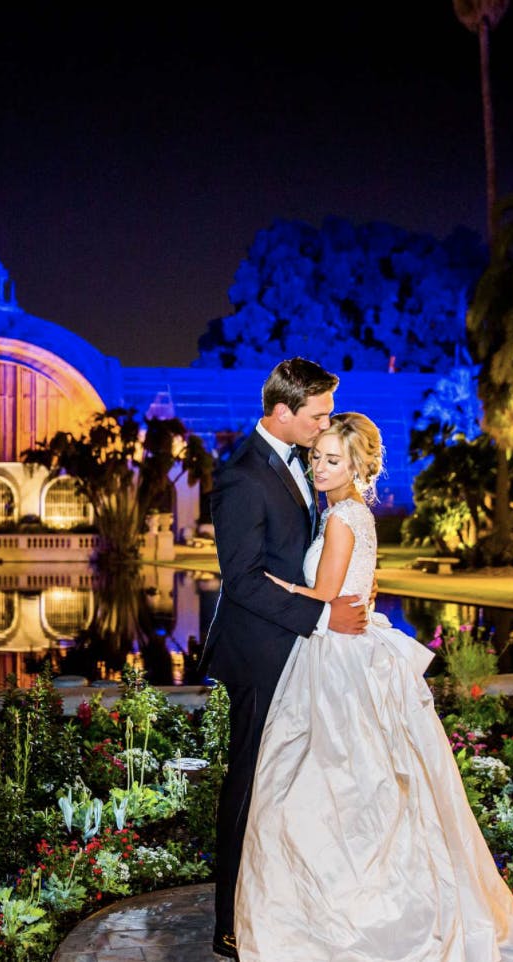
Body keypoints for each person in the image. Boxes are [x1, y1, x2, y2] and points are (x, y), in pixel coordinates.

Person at [235, 413, 513, 962]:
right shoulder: (350, 513)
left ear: (357, 466)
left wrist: (270, 580)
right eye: (316, 457)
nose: (319, 467)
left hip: (337, 660)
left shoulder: (342, 519)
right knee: (364, 785)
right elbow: (362, 585)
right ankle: (361, 903)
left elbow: (325, 596)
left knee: (328, 783)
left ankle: (342, 915)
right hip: (350, 649)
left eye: (332, 460)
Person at [200, 358, 371, 959]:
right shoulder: (243, 476)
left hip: (298, 649)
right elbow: (243, 579)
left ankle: (282, 900)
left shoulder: (301, 461)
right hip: (259, 653)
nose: (326, 423)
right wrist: (325, 617)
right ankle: (230, 924)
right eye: (318, 414)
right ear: (281, 411)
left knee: (290, 786)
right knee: (249, 785)